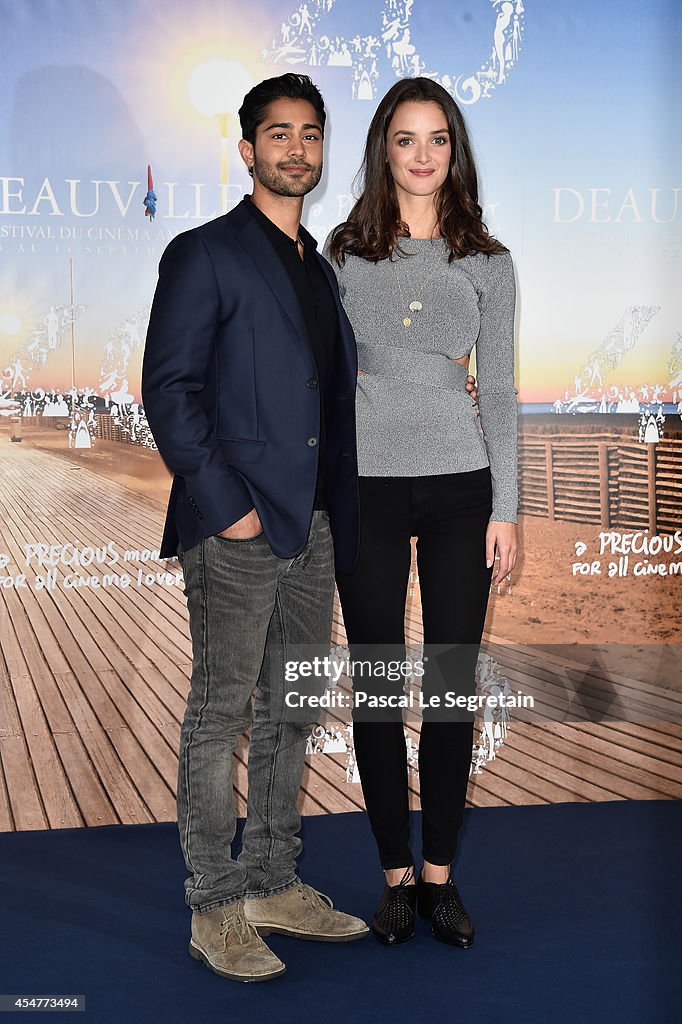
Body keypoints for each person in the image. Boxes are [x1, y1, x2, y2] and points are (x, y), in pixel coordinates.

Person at [142, 73, 371, 984]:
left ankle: (275, 881)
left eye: (310, 135)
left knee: (291, 712)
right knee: (220, 715)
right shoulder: (204, 253)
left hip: (313, 525)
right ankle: (215, 907)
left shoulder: (319, 267)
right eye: (278, 134)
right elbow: (170, 390)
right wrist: (229, 507)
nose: (296, 150)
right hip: (237, 527)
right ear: (247, 150)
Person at [324, 77, 519, 948]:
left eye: (438, 138)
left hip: (459, 489)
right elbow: (323, 378)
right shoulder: (343, 253)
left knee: (447, 684)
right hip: (366, 485)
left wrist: (506, 508)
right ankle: (393, 876)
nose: (423, 154)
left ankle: (440, 878)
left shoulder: (489, 259)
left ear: (455, 150)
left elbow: (504, 392)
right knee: (373, 679)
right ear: (383, 151)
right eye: (406, 139)